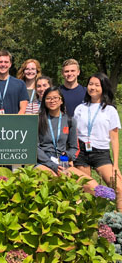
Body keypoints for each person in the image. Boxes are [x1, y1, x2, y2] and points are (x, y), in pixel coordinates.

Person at [36, 86, 100, 192]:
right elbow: (35, 147)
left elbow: (74, 147)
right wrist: (52, 165)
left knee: (93, 186)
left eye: (55, 98)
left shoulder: (70, 121)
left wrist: (67, 156)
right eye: (48, 98)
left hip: (62, 163)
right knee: (58, 182)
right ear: (44, 101)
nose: (52, 101)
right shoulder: (38, 119)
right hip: (42, 162)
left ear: (61, 100)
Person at [74, 73, 122, 211]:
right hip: (82, 152)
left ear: (103, 88)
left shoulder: (110, 110)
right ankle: (87, 224)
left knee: (119, 188)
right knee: (86, 189)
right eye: (90, 84)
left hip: (101, 153)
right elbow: (74, 134)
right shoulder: (80, 108)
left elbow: (114, 139)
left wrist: (116, 165)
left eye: (97, 85)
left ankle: (119, 224)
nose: (92, 87)